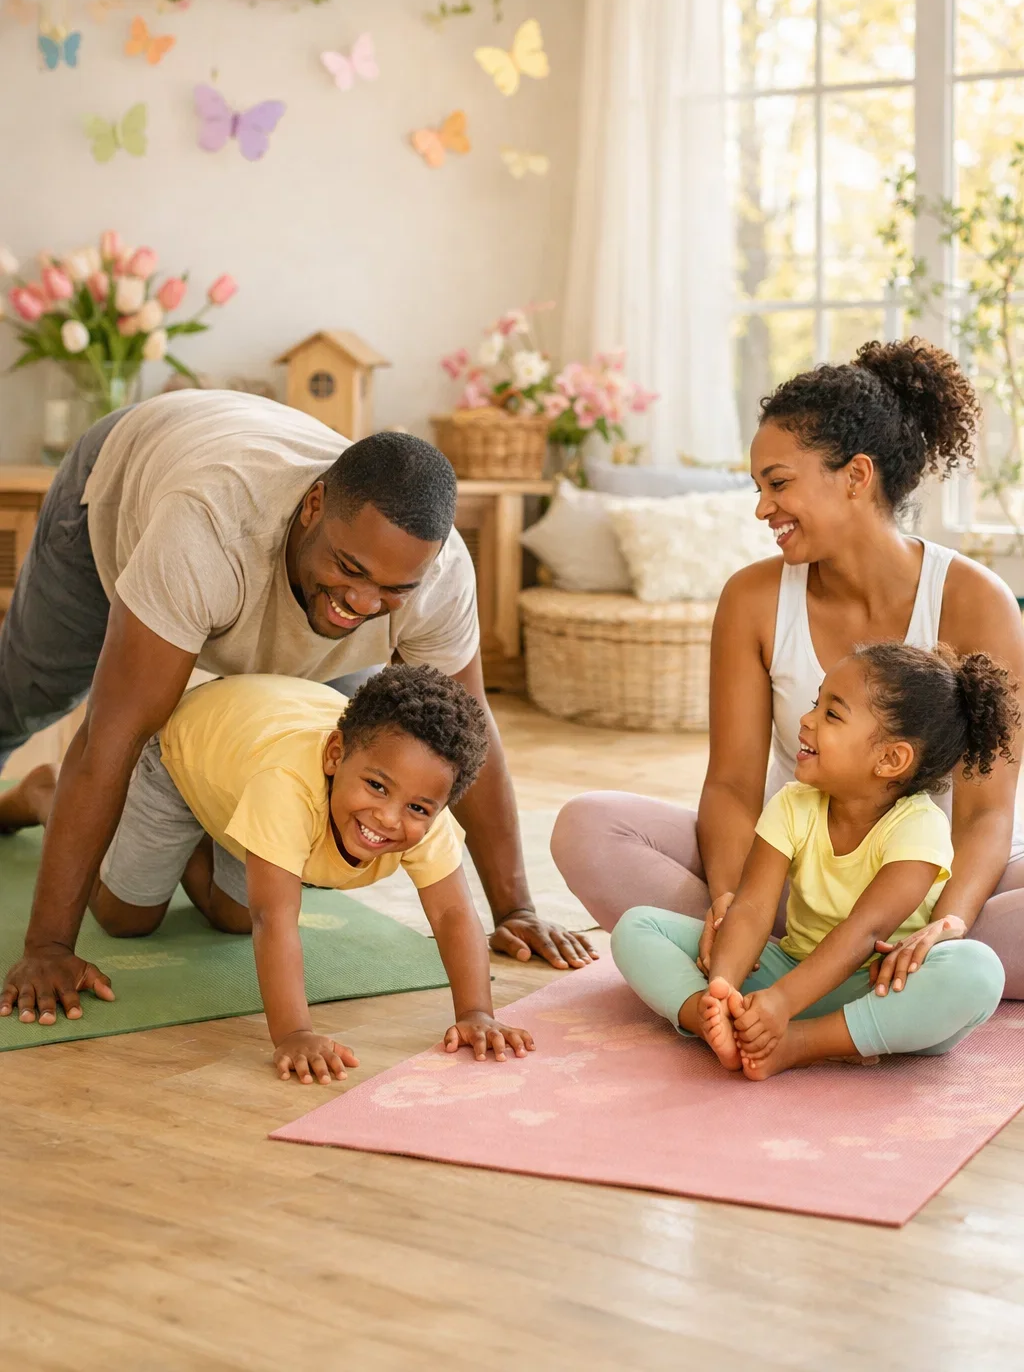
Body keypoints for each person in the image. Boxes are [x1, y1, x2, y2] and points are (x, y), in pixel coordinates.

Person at [1, 391, 595, 1027]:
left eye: (392, 589)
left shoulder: (439, 577)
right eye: (349, 567)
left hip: (245, 552)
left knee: (252, 894)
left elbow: (469, 737)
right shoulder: (207, 528)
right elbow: (111, 734)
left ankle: (189, 800)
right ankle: (41, 795)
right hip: (132, 468)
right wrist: (48, 948)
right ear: (313, 506)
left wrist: (515, 910)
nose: (361, 603)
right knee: (33, 689)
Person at [553, 339, 1024, 993]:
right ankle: (832, 973)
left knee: (981, 924)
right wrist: (730, 903)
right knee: (589, 828)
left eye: (778, 484)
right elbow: (731, 786)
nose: (762, 508)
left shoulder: (975, 602)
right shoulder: (752, 599)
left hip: (930, 886)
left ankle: (891, 964)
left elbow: (985, 815)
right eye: (759, 488)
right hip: (787, 876)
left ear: (856, 476)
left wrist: (945, 924)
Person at [0, 664, 534, 1078]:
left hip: (245, 764)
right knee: (126, 916)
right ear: (335, 755)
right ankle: (45, 793)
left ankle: (204, 832)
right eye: (376, 786)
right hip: (185, 752)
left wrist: (476, 1012)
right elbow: (273, 919)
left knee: (231, 916)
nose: (390, 818)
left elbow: (452, 913)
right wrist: (294, 1033)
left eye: (417, 808)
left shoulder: (427, 819)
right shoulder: (286, 786)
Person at [610, 641, 1017, 1078]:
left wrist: (783, 1002)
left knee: (977, 970)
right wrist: (722, 985)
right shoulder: (792, 804)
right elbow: (752, 907)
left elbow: (867, 931)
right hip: (790, 970)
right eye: (814, 704)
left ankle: (801, 1043)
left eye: (832, 714)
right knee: (637, 927)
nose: (806, 720)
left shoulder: (920, 827)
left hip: (880, 991)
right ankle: (714, 1021)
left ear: (890, 758)